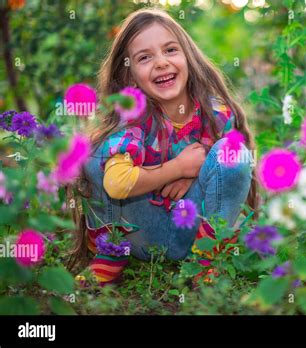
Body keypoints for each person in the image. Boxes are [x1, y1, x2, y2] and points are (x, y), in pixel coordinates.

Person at [72, 8, 257, 285]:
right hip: (141, 233)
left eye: (170, 50)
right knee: (96, 152)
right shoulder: (133, 121)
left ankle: (206, 261)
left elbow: (238, 166)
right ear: (130, 76)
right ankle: (109, 253)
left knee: (234, 154)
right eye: (144, 57)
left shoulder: (216, 114)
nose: (161, 63)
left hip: (195, 230)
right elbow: (116, 184)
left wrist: (196, 170)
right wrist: (177, 168)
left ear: (188, 58)